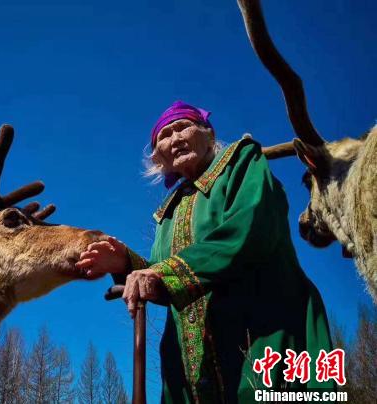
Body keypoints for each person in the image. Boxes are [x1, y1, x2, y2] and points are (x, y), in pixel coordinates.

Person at [76, 101, 335, 403]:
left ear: (208, 134)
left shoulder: (241, 161)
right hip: (190, 368)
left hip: (263, 336)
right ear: (159, 157)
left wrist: (161, 273)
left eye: (183, 127)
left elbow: (250, 229)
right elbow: (164, 275)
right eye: (165, 135)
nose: (175, 138)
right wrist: (126, 264)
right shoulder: (169, 212)